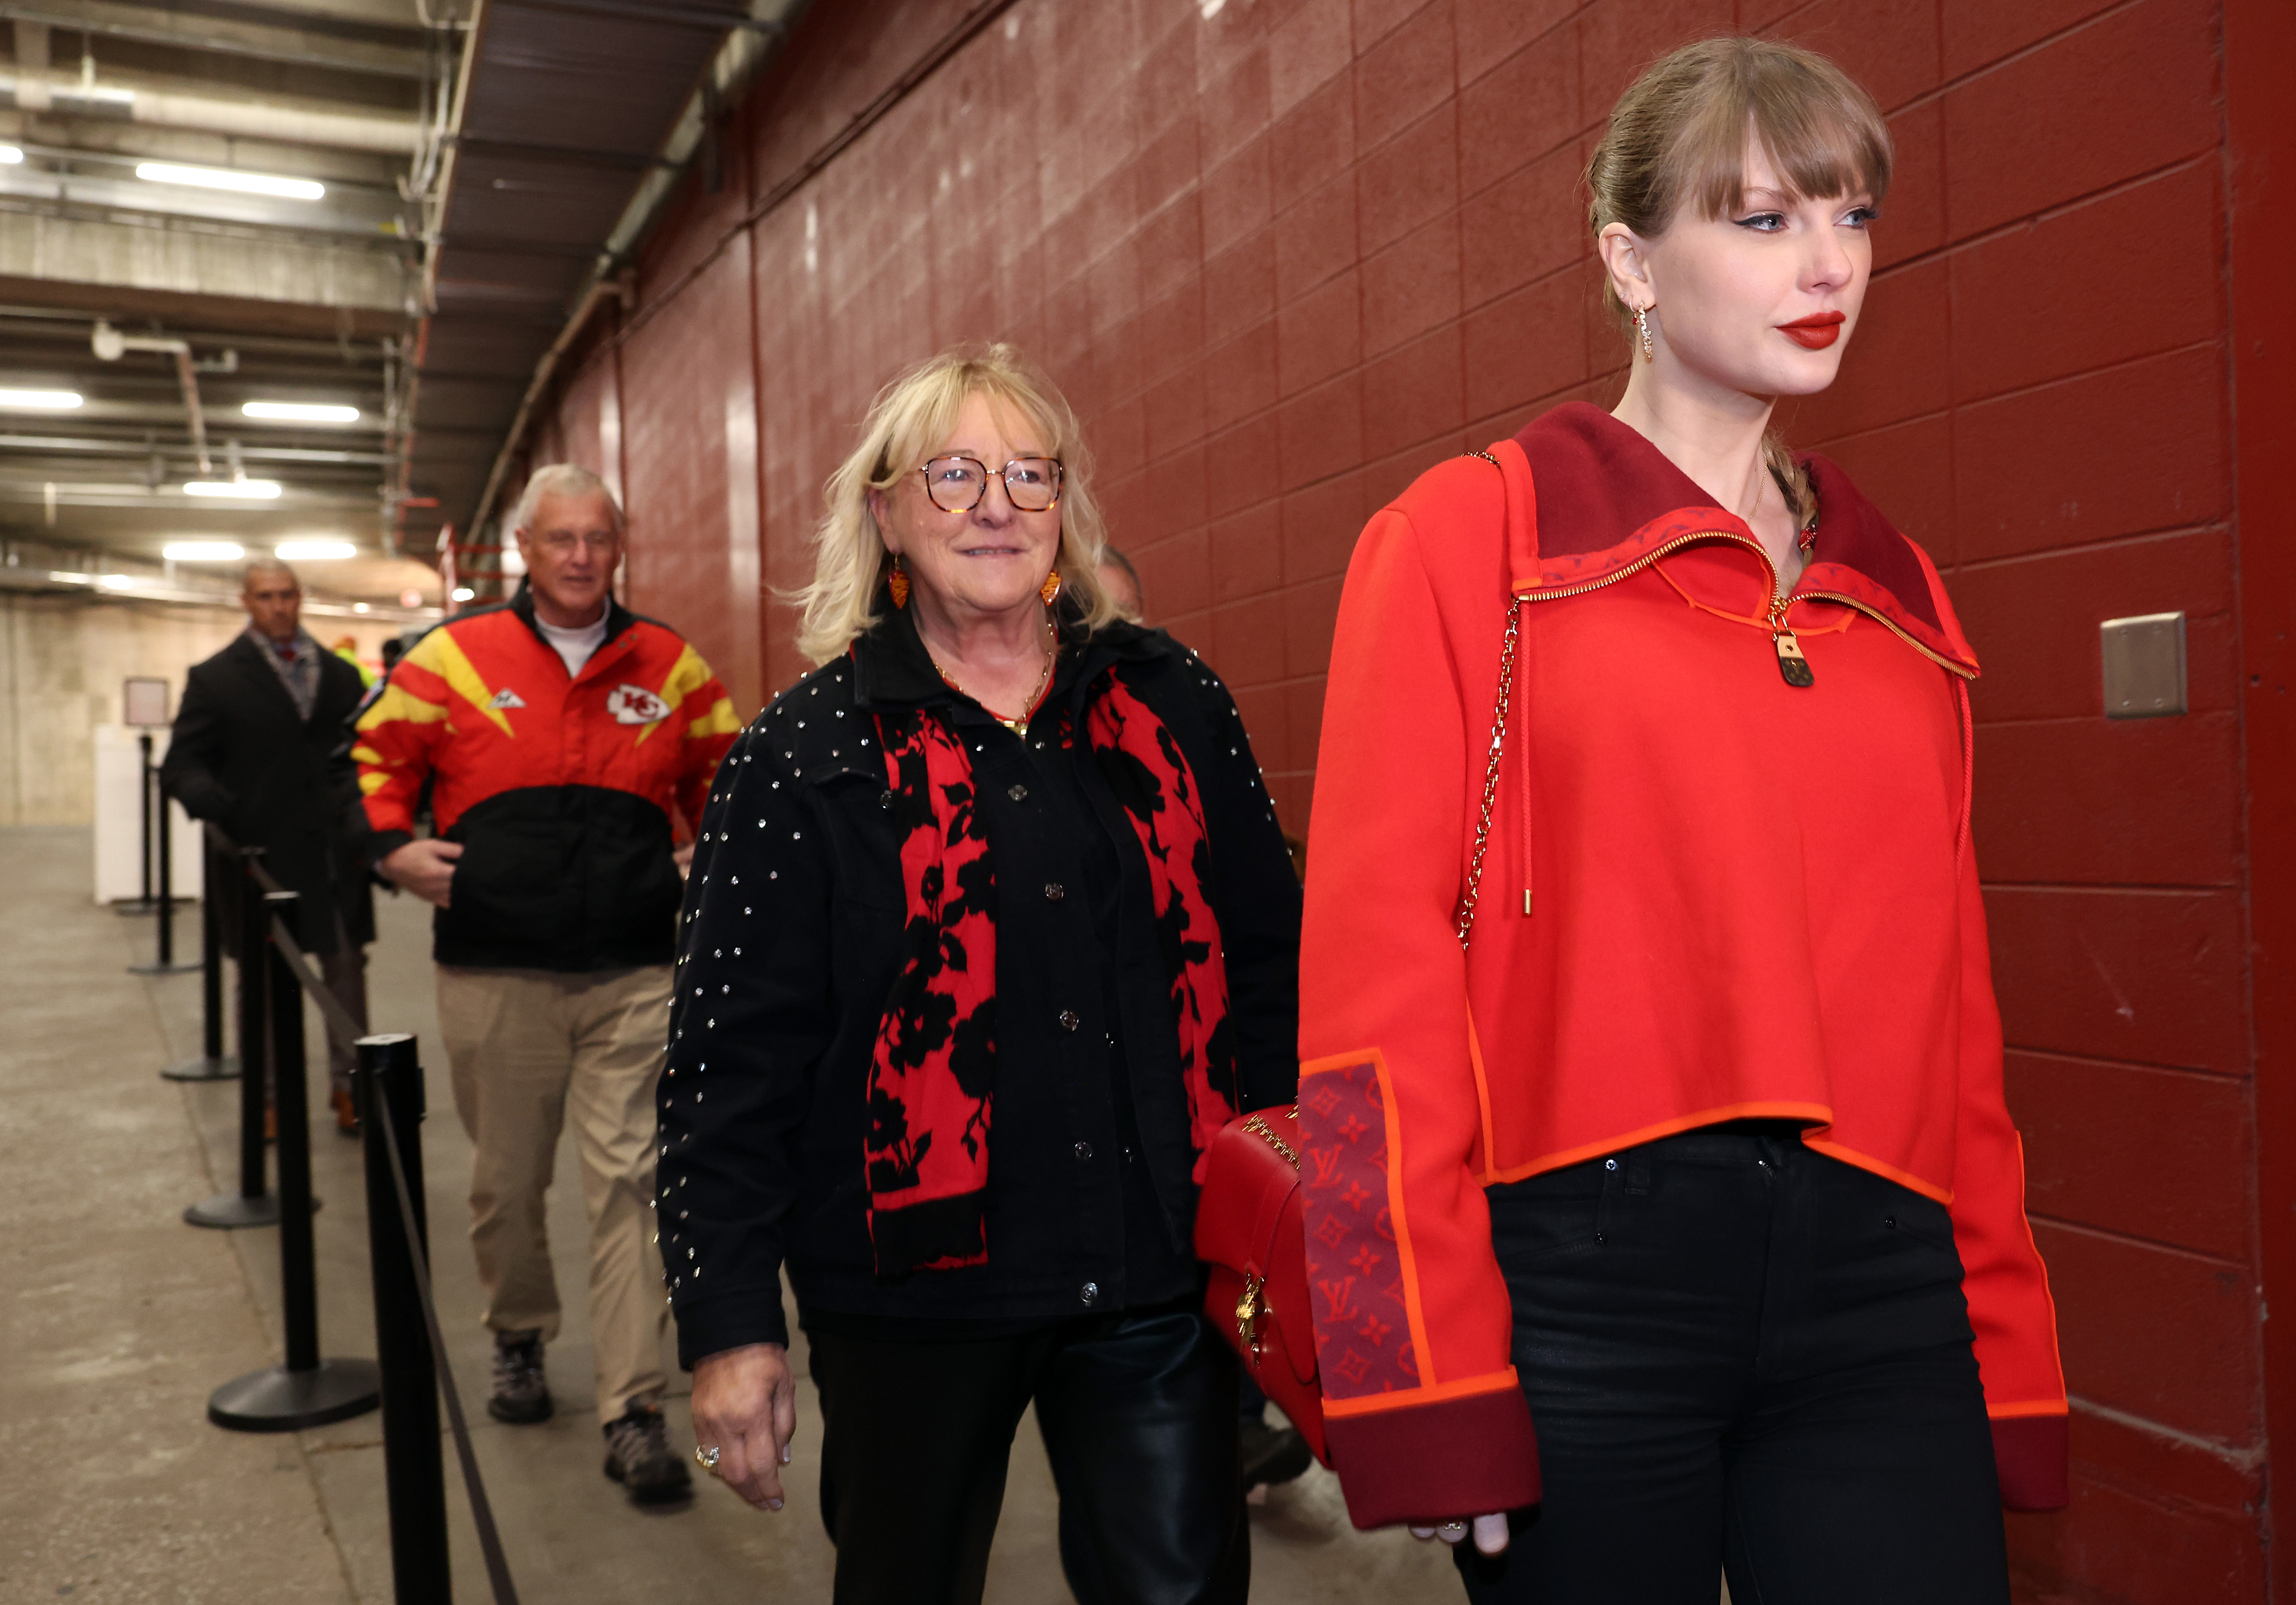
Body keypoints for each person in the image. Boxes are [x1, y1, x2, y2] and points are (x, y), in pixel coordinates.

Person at [1297, 38, 2067, 1603]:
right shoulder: (1470, 541)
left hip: (1881, 1282)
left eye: (1851, 218)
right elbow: (1375, 987)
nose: (1829, 267)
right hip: (1582, 1285)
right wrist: (1421, 1372)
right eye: (1766, 221)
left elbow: (1954, 1009)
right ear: (1631, 264)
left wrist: (2007, 1337)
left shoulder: (1901, 593)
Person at [664, 344, 1302, 1605]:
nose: (993, 503)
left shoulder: (1173, 703)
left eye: (1026, 472)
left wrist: (1300, 1198)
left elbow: (1269, 966)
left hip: (1155, 1270)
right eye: (952, 473)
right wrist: (729, 1323)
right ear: (885, 510)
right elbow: (728, 1066)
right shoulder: (800, 754)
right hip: (906, 1291)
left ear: (1064, 509)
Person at [352, 463, 740, 1504]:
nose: (580, 558)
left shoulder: (669, 664)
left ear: (620, 548)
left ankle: (635, 1407)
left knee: (629, 1189)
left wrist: (714, 858)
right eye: (560, 539)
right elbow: (373, 754)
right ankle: (518, 1334)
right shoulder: (453, 658)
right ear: (523, 548)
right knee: (507, 1184)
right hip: (496, 972)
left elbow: (725, 774)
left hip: (634, 974)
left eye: (598, 540)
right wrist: (390, 848)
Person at [162, 558, 373, 1135]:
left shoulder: (340, 677)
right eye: (266, 597)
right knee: (261, 983)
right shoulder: (215, 679)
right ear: (246, 602)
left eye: (287, 595)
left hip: (332, 857)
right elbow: (181, 764)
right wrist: (219, 804)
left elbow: (365, 757)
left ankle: (351, 1088)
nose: (279, 606)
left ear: (301, 598)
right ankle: (271, 1100)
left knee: (347, 970)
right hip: (257, 856)